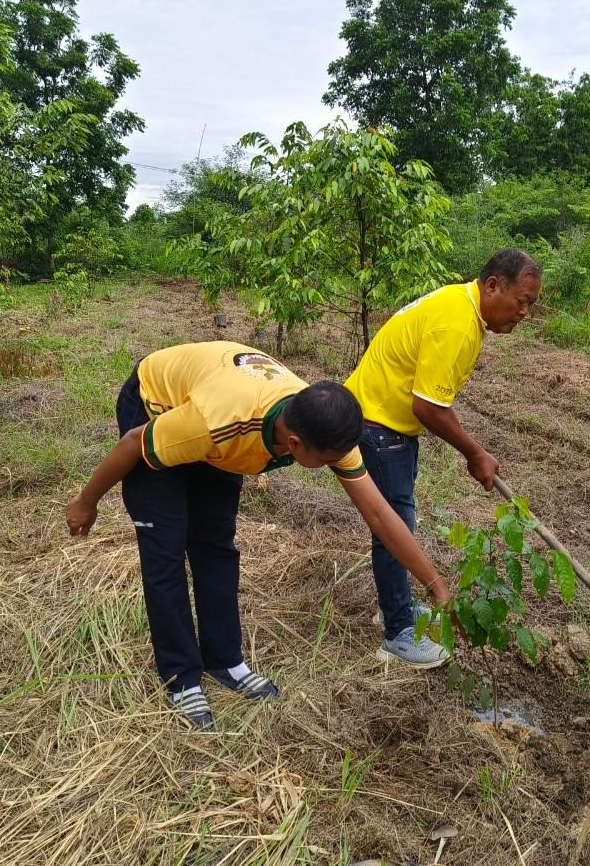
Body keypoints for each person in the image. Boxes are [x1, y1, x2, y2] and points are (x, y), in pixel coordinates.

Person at [64, 340, 450, 728]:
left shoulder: (328, 429)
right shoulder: (218, 423)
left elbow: (381, 513)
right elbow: (133, 443)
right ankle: (182, 678)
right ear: (295, 445)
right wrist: (86, 501)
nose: (338, 467)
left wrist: (433, 582)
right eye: (329, 463)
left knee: (215, 545)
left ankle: (225, 660)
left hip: (218, 415)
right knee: (165, 550)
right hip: (158, 402)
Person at [345, 248, 542, 668]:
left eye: (531, 304)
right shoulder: (458, 322)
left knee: (398, 523)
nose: (525, 312)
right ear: (492, 286)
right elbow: (428, 407)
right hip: (379, 425)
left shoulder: (459, 303)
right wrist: (476, 454)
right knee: (394, 527)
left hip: (380, 419)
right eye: (521, 301)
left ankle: (396, 606)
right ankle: (398, 630)